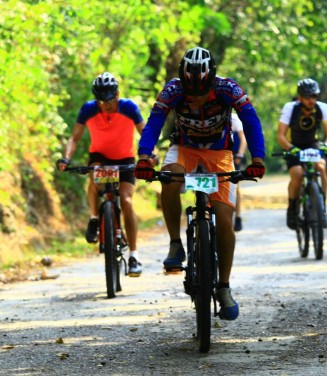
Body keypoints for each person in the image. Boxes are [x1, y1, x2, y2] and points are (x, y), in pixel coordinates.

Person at [134, 47, 266, 320]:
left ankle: (224, 287)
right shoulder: (172, 90)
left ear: (212, 80)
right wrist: (145, 157)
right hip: (184, 148)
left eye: (202, 91)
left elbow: (250, 119)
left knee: (225, 220)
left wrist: (258, 158)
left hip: (220, 153)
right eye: (190, 91)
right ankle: (175, 244)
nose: (195, 97)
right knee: (169, 180)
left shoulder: (229, 89)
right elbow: (154, 121)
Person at [56, 72, 146, 277]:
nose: (106, 105)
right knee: (94, 179)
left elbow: (145, 132)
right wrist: (66, 158)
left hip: (125, 159)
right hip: (100, 157)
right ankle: (95, 217)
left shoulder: (129, 107)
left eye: (110, 99)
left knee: (127, 201)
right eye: (101, 100)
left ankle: (134, 255)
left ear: (118, 94)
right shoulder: (88, 109)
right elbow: (74, 138)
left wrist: (150, 155)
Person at [276, 78, 327, 230]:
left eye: (314, 96)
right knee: (297, 173)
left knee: (321, 167)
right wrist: (290, 149)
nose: (311, 100)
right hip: (293, 145)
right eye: (308, 97)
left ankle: (322, 208)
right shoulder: (291, 108)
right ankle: (292, 208)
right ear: (300, 97)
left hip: (312, 145)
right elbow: (280, 136)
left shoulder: (322, 108)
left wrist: (326, 145)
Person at [231, 112, 247, 232]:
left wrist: (240, 154)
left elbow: (243, 139)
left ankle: (238, 216)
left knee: (236, 186)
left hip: (234, 155)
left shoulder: (234, 118)